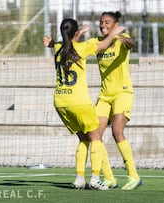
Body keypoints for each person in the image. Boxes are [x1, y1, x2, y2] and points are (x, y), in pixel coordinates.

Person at [43, 18, 126, 190]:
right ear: (75, 33)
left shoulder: (58, 48)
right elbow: (103, 46)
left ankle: (79, 178)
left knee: (82, 138)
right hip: (78, 102)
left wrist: (70, 35)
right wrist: (114, 33)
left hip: (60, 102)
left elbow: (61, 43)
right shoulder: (82, 47)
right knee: (96, 138)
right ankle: (95, 178)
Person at [93, 11, 142, 190]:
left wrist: (125, 39)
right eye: (101, 22)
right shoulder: (99, 42)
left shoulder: (122, 39)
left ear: (115, 24)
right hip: (104, 95)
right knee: (95, 135)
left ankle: (133, 176)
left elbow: (132, 43)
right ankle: (109, 178)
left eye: (107, 22)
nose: (103, 25)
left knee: (116, 132)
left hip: (122, 93)